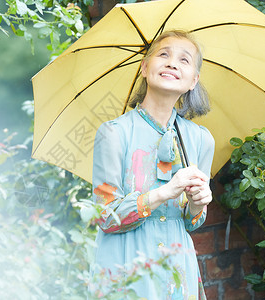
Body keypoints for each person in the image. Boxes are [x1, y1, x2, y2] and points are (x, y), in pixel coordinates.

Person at [91, 30, 215, 299]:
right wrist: (163, 193)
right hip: (125, 269)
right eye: (163, 54)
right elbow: (104, 216)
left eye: (184, 60)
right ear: (145, 68)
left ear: (194, 80)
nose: (172, 63)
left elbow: (192, 223)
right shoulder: (114, 134)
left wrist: (197, 204)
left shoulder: (201, 140)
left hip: (177, 271)